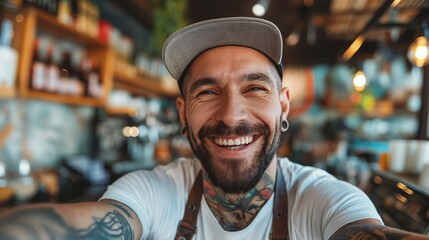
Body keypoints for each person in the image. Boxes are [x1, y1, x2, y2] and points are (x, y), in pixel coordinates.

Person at [1, 17, 428, 240]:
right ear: (183, 113)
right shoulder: (155, 194)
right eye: (208, 93)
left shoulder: (323, 201)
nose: (230, 115)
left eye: (255, 88)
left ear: (284, 107)